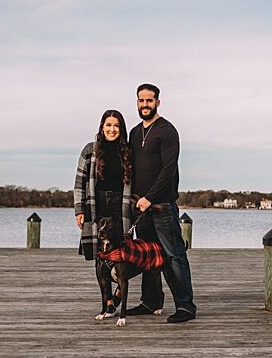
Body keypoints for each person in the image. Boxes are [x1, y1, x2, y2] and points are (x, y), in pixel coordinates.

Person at [123, 83, 198, 323]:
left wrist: (149, 197)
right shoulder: (134, 132)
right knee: (147, 255)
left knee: (174, 255)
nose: (145, 104)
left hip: (162, 206)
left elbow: (168, 170)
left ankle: (185, 306)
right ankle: (150, 300)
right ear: (137, 102)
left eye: (149, 100)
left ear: (158, 102)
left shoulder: (167, 131)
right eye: (141, 100)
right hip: (140, 208)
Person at [73, 110, 134, 317]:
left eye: (116, 126)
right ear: (102, 127)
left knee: (123, 254)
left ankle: (119, 293)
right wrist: (79, 210)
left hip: (121, 207)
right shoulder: (90, 150)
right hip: (96, 207)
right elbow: (79, 183)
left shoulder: (127, 151)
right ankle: (107, 301)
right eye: (108, 125)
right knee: (100, 256)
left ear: (121, 129)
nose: (112, 129)